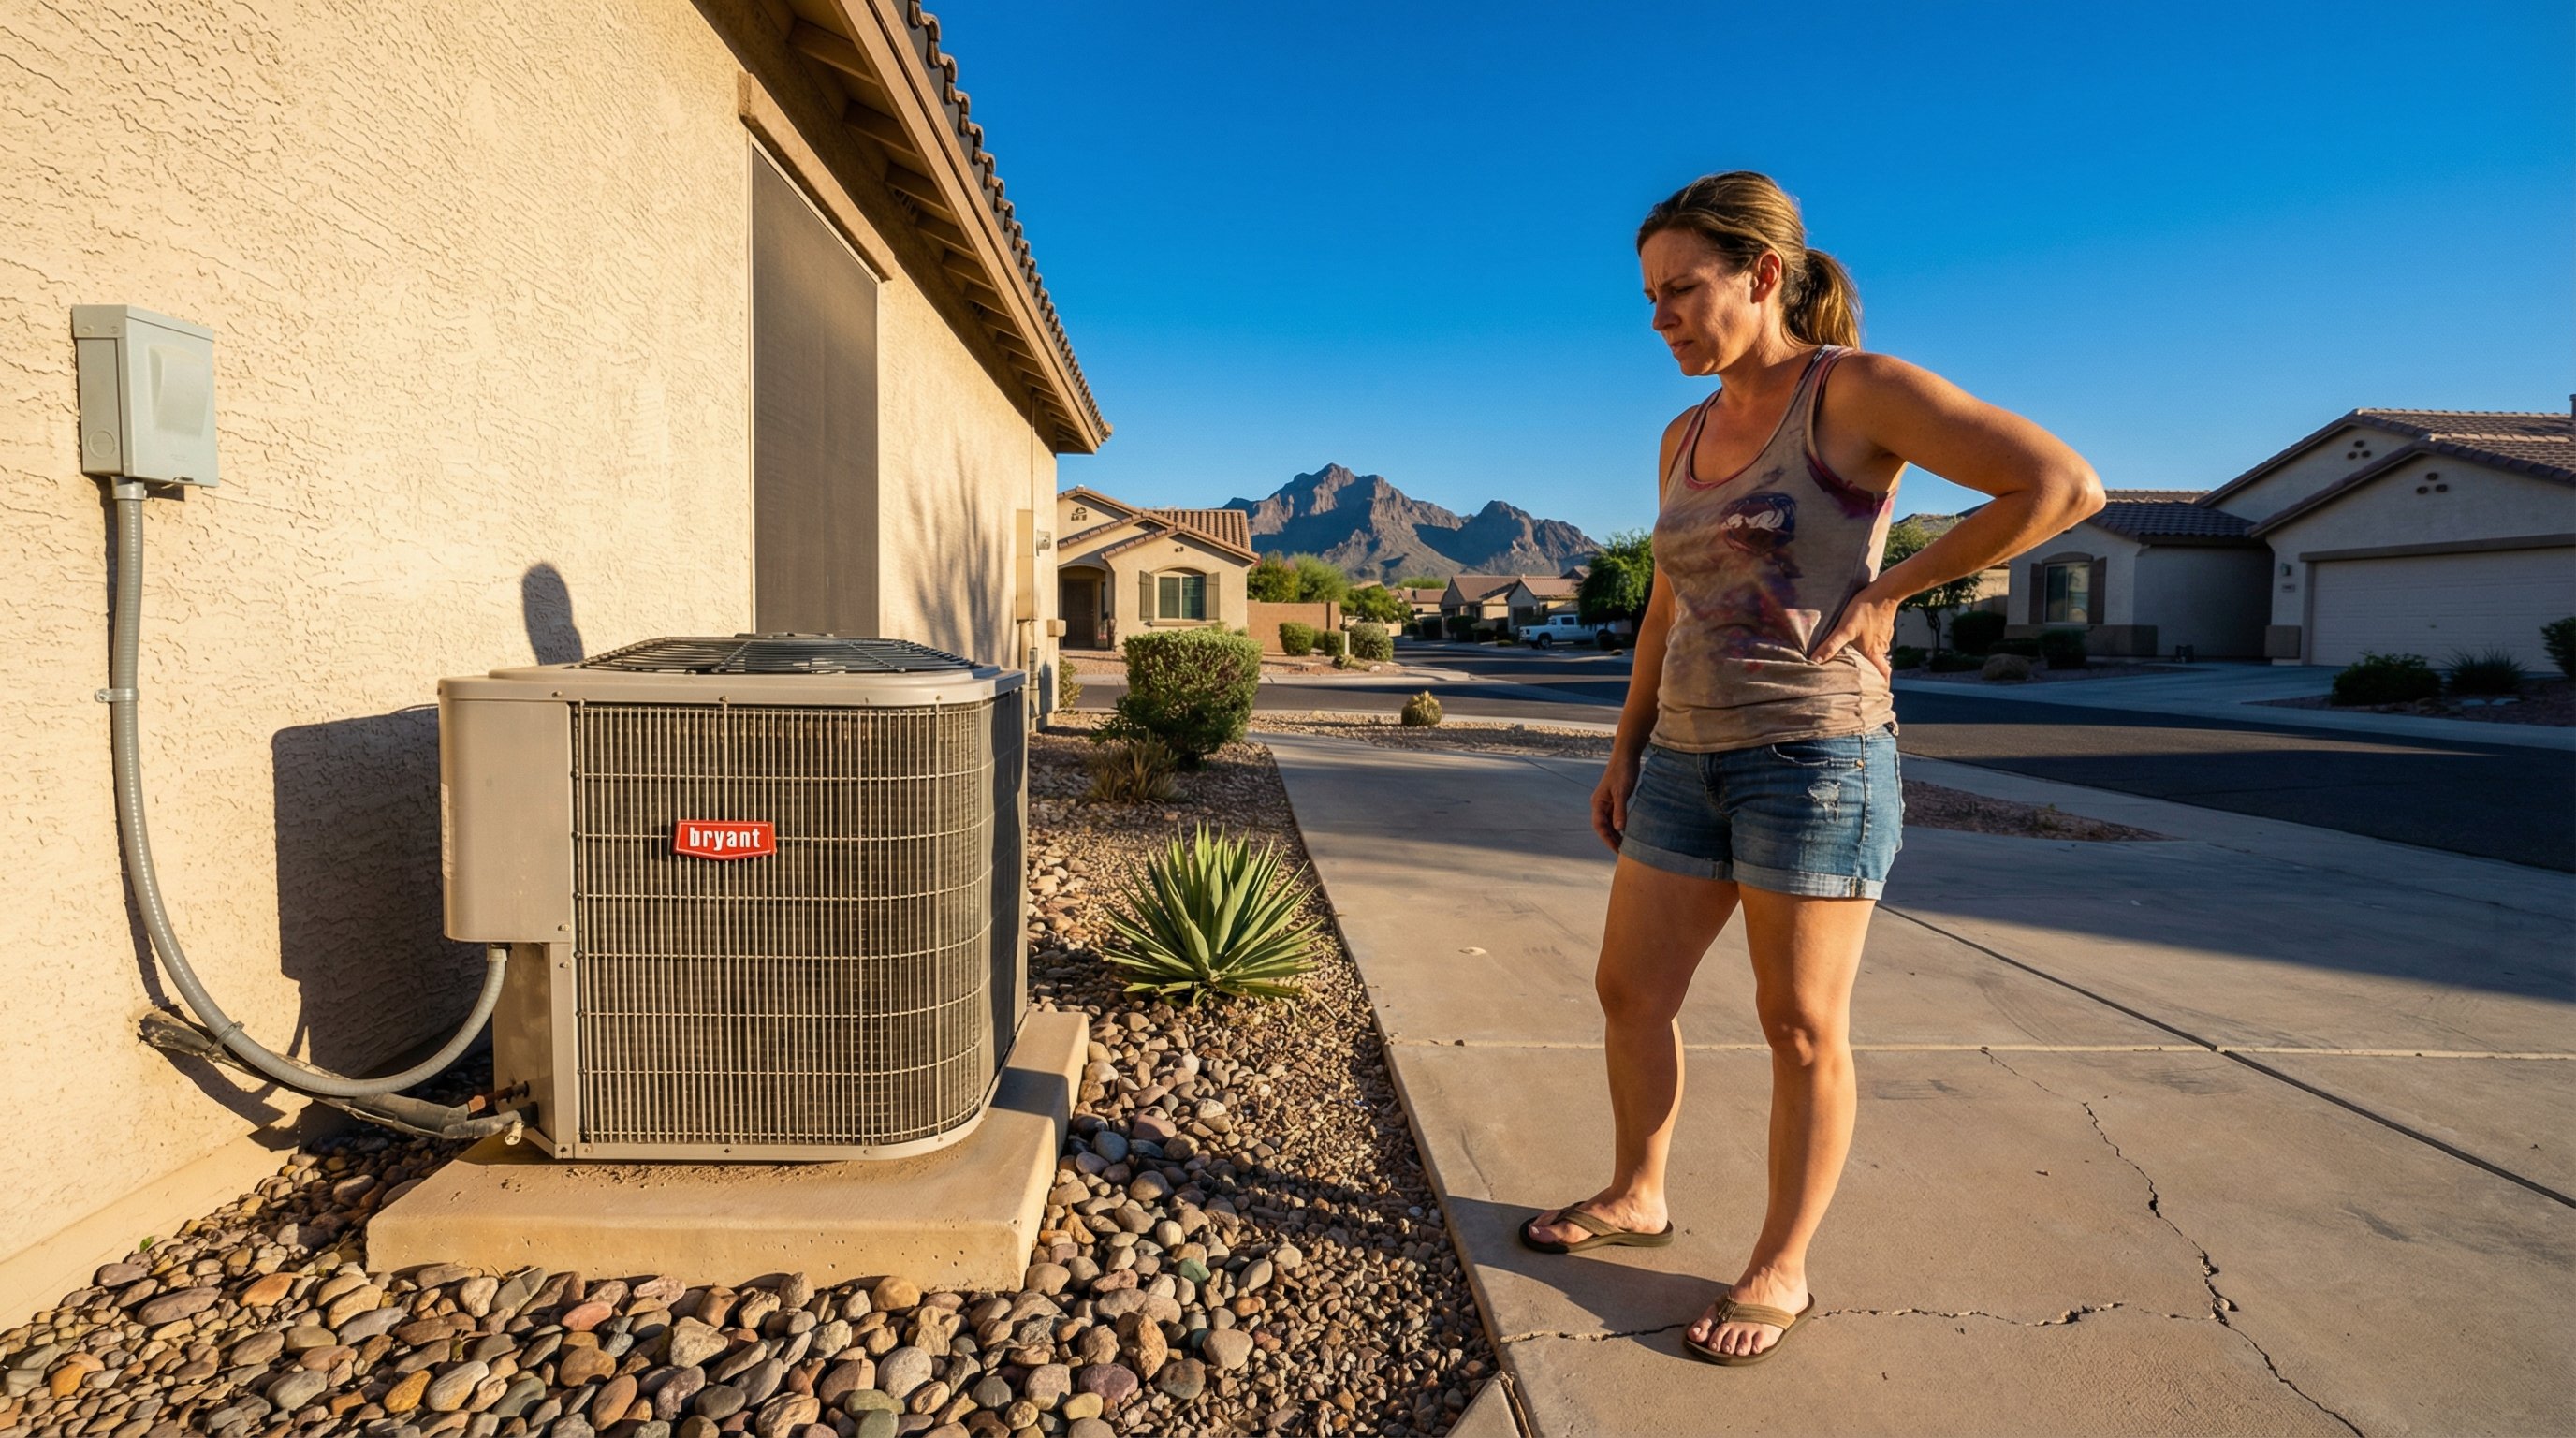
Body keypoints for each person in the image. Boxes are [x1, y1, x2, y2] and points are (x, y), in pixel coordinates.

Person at [1515, 171, 2102, 1365]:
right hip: (1685, 753)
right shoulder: (1680, 434)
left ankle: (1780, 1267)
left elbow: (2059, 485)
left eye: (1682, 290)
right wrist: (1624, 748)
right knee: (1630, 993)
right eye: (1649, 297)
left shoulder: (1854, 393)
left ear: (1762, 275)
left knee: (1796, 1027)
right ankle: (1638, 1193)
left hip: (1816, 757)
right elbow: (1661, 609)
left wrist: (1891, 589)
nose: (1660, 318)